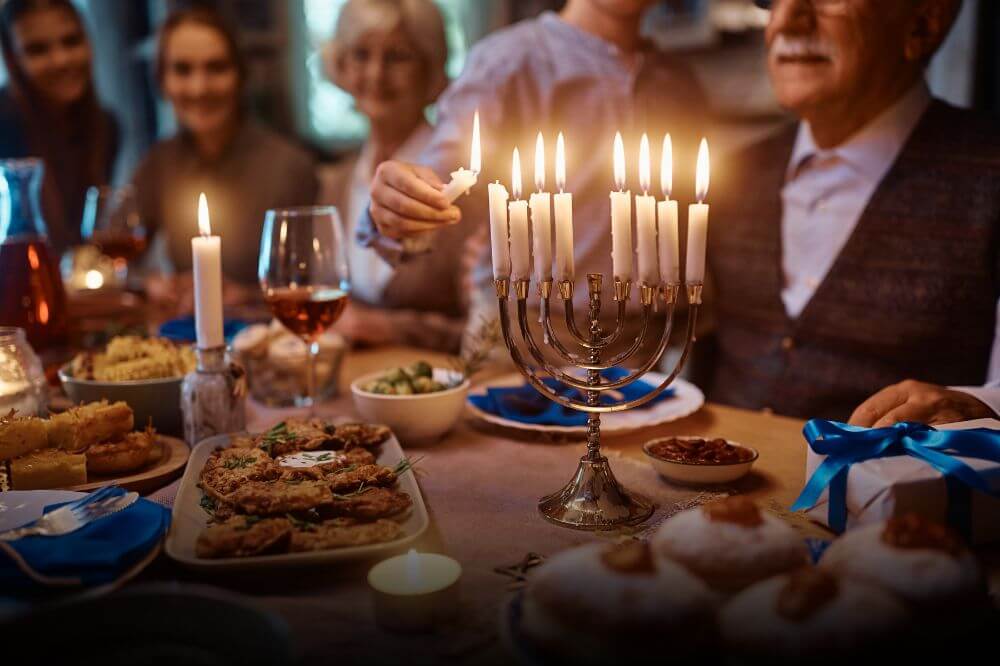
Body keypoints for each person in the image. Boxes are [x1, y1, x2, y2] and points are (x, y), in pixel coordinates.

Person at [707, 0, 1000, 423]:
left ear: (922, 24)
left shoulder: (990, 173)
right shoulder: (732, 173)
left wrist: (977, 409)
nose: (788, 20)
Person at [360, 0, 707, 327]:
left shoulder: (680, 84)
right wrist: (402, 202)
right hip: (525, 334)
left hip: (651, 338)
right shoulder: (507, 63)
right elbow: (449, 169)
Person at [132, 7, 318, 312]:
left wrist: (247, 295)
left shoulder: (289, 166)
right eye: (182, 69)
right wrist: (149, 282)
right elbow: (116, 263)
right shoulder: (159, 163)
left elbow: (316, 283)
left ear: (240, 75)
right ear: (162, 81)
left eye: (216, 67)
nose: (199, 87)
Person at [320, 0, 463, 351]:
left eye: (397, 56)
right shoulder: (335, 182)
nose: (375, 74)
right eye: (360, 54)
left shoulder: (461, 182)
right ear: (340, 66)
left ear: (431, 68)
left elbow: (494, 330)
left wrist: (392, 328)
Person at [0, 0, 117, 254]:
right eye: (37, 50)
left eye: (71, 41)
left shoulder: (106, 127)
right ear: (12, 59)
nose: (61, 60)